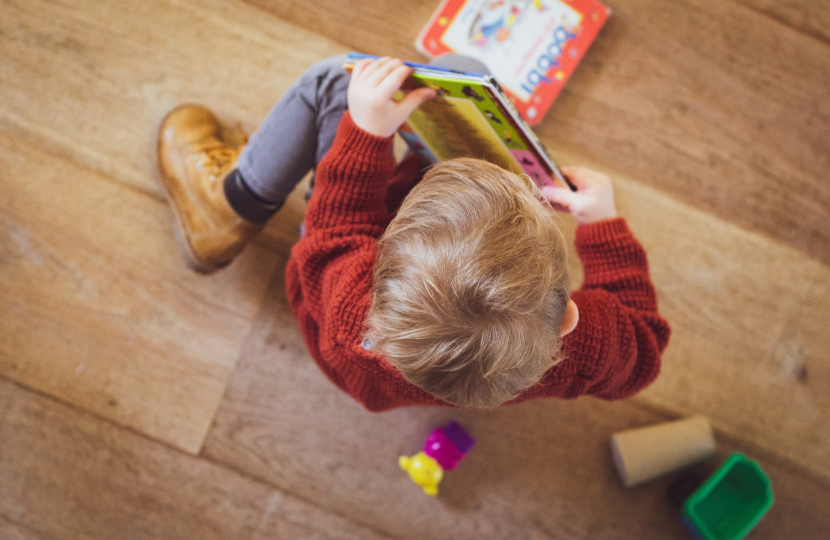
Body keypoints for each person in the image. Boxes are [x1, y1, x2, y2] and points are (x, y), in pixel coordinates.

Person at [157, 55, 670, 410]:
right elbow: (643, 350)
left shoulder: (353, 305)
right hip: (420, 372)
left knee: (333, 82)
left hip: (331, 271)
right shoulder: (585, 345)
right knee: (462, 73)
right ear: (567, 319)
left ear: (384, 260)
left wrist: (365, 132)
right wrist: (603, 226)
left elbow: (341, 226)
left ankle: (227, 207)